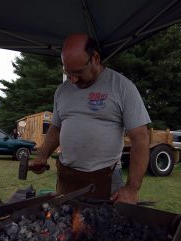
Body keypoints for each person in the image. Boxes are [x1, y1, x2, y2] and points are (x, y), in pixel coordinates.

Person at [29, 33, 151, 204]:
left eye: (78, 72)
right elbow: (56, 128)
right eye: (68, 73)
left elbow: (141, 139)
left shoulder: (122, 87)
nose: (72, 79)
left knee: (106, 228)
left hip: (106, 178)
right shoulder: (62, 91)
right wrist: (42, 156)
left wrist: (132, 189)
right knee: (65, 226)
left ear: (95, 58)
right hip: (68, 177)